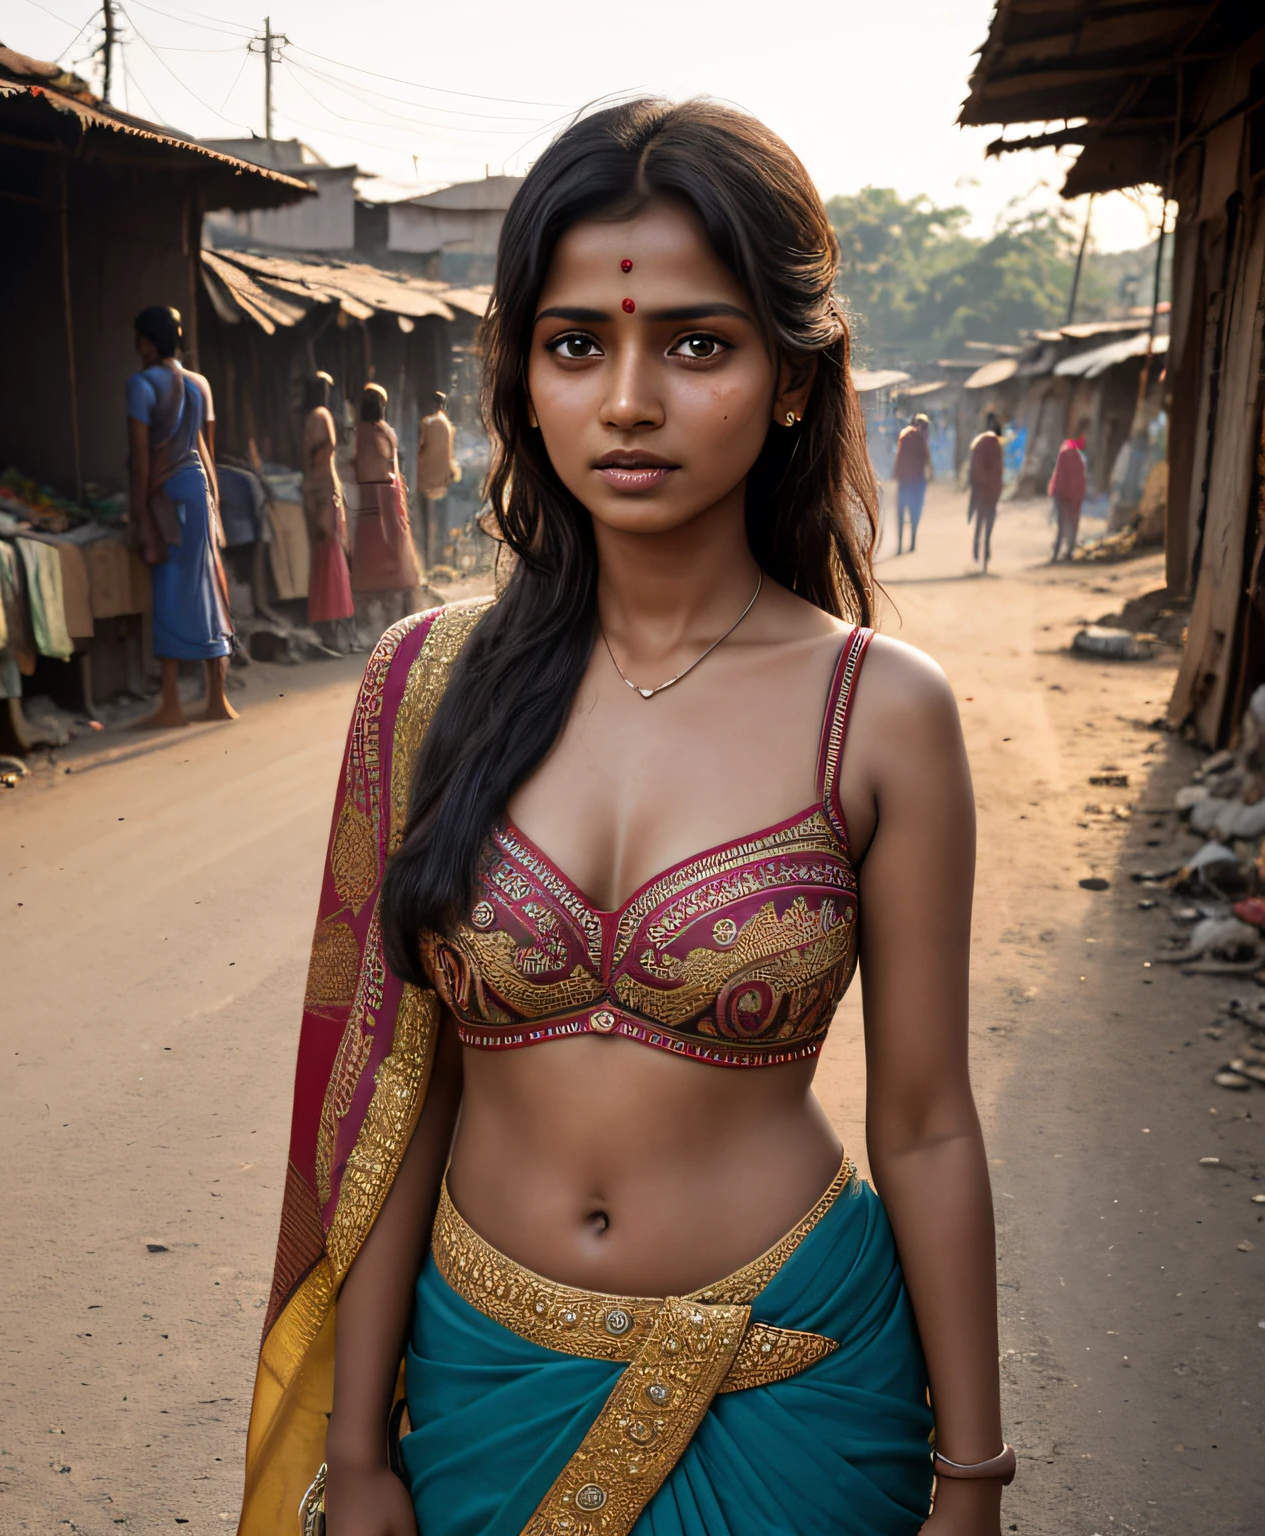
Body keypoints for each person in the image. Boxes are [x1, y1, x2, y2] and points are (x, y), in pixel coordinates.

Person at [238, 100, 1007, 1536]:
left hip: (795, 1382)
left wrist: (972, 1479)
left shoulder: (881, 710)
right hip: (479, 1379)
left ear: (790, 379)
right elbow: (401, 1098)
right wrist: (357, 1448)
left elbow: (925, 1124)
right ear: (527, 378)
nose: (630, 399)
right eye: (578, 342)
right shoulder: (428, 686)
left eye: (696, 344)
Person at [126, 305, 236, 728]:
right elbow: (206, 446)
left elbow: (140, 460)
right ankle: (216, 699)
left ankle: (171, 704)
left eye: (139, 338)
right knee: (208, 587)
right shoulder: (200, 383)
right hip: (200, 490)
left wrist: (138, 515)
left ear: (148, 341)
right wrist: (215, 504)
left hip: (166, 494)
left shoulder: (141, 385)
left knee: (169, 590)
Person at [350, 382, 421, 635]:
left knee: (389, 552)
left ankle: (394, 623)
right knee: (386, 552)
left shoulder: (368, 433)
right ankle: (385, 624)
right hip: (378, 498)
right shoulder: (374, 432)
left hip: (379, 498)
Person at [303, 371, 355, 653]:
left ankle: (330, 631)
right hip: (324, 494)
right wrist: (324, 497)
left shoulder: (313, 418)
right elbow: (319, 462)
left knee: (326, 561)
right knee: (331, 562)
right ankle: (332, 632)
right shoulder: (321, 416)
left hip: (321, 493)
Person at [415, 391, 460, 566]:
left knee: (426, 521)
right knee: (440, 521)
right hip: (443, 478)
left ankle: (427, 560)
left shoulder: (427, 423)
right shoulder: (448, 425)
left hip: (426, 478)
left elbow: (421, 450)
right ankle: (440, 559)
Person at [967, 413, 1004, 571]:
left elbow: (973, 470)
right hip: (991, 492)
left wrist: (975, 488)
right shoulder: (996, 445)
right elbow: (998, 470)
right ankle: (985, 556)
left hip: (980, 491)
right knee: (988, 525)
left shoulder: (978, 443)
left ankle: (976, 553)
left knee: (979, 522)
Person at [893, 412, 931, 555]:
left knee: (901, 513)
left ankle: (899, 546)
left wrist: (896, 474)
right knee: (915, 511)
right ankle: (912, 543)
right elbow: (926, 459)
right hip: (917, 481)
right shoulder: (921, 438)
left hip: (904, 480)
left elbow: (899, 457)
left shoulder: (904, 435)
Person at [1048, 427, 1088, 562]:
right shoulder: (1078, 458)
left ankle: (1057, 553)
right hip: (1071, 497)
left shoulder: (1065, 455)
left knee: (1062, 526)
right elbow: (1080, 481)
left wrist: (1055, 493)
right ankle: (1068, 552)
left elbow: (1058, 477)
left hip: (1063, 495)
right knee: (1071, 524)